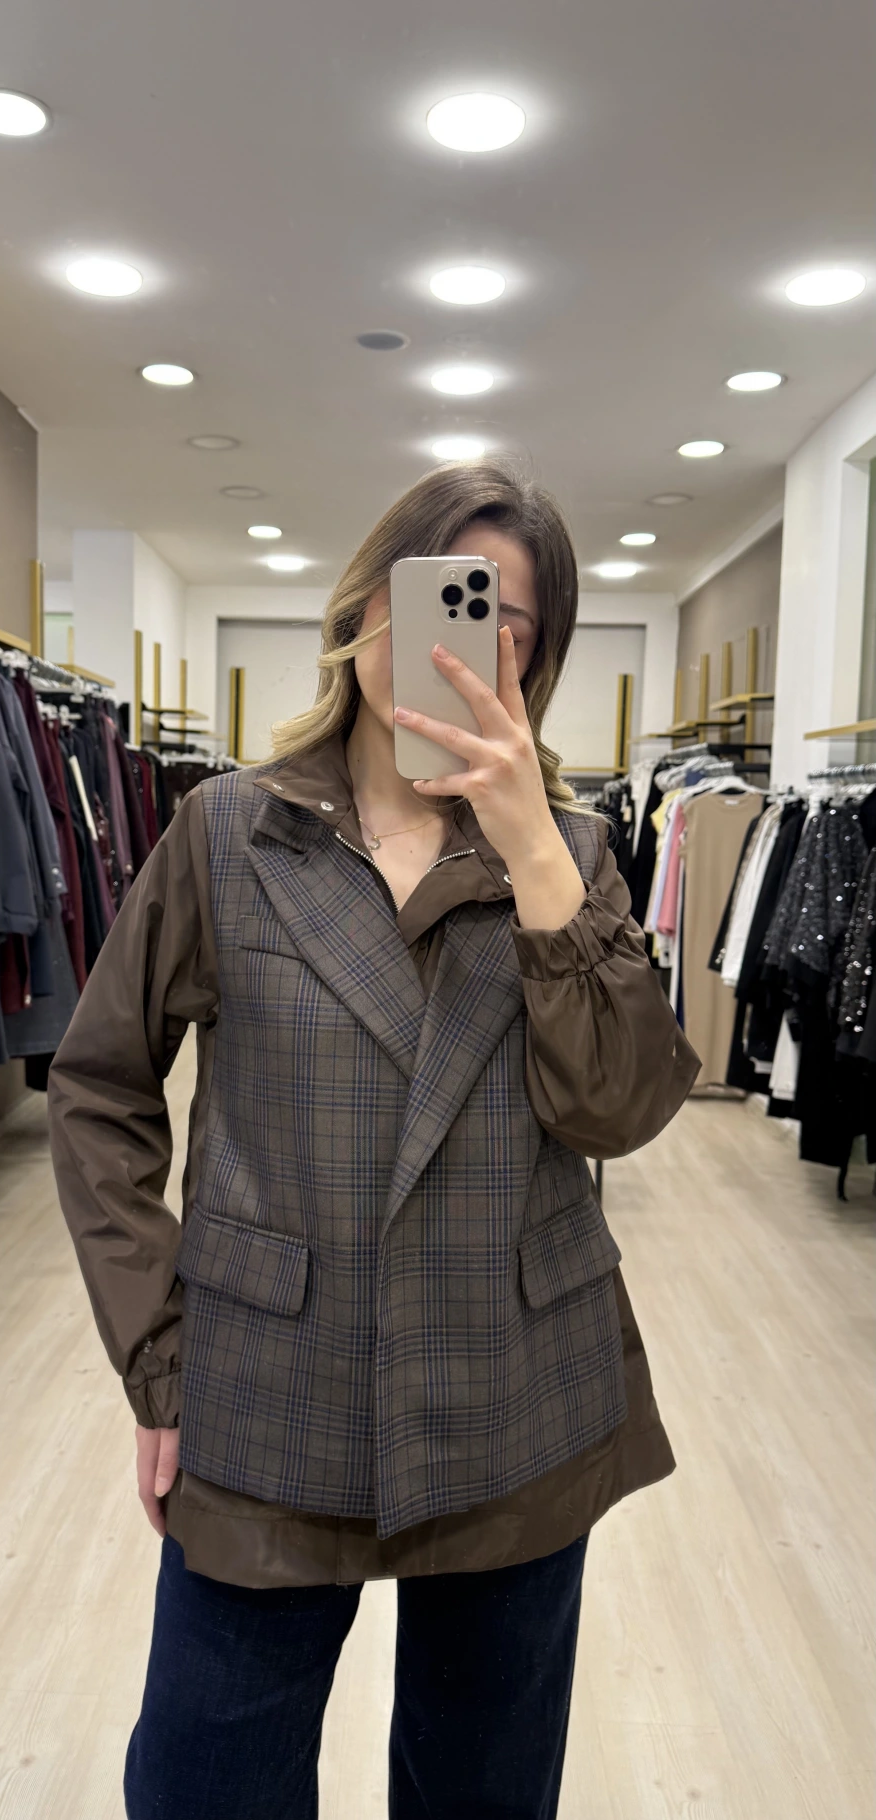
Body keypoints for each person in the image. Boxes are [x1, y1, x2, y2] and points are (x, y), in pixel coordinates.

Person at [48, 460, 699, 1820]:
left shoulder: (575, 855)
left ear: (538, 659)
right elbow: (100, 1086)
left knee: (482, 1792)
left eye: (510, 619)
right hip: (269, 1387)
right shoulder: (229, 833)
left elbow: (621, 1111)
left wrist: (536, 858)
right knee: (203, 1784)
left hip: (516, 1386)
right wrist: (158, 1359)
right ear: (368, 609)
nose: (473, 638)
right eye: (448, 595)